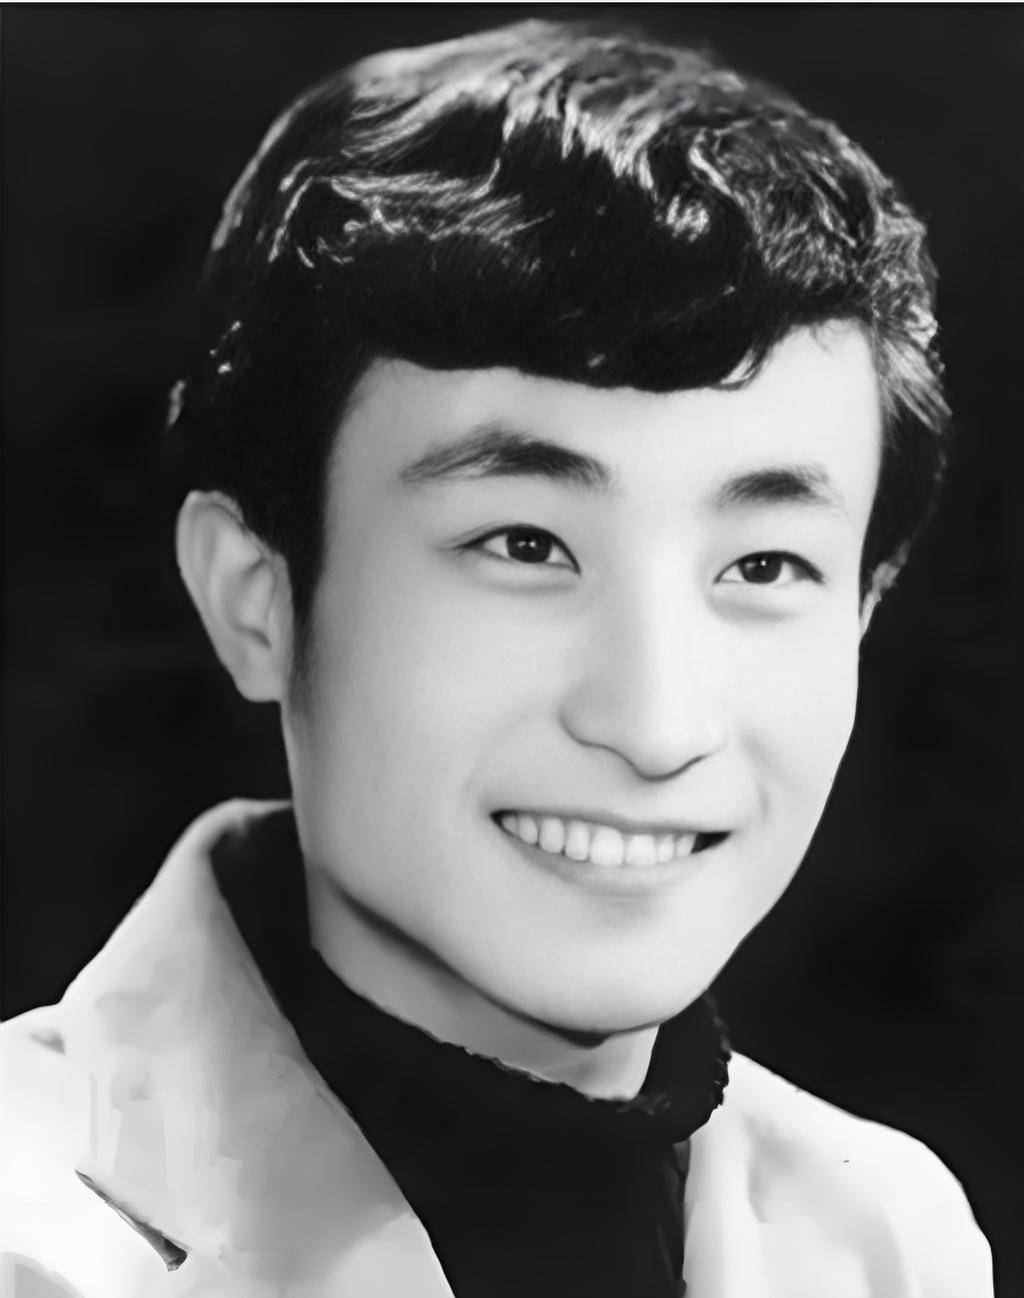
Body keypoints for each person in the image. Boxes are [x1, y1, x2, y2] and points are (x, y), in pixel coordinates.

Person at [0, 19, 993, 1298]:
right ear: (257, 599)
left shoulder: (890, 1241)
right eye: (525, 544)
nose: (656, 722)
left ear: (861, 615)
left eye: (761, 567)